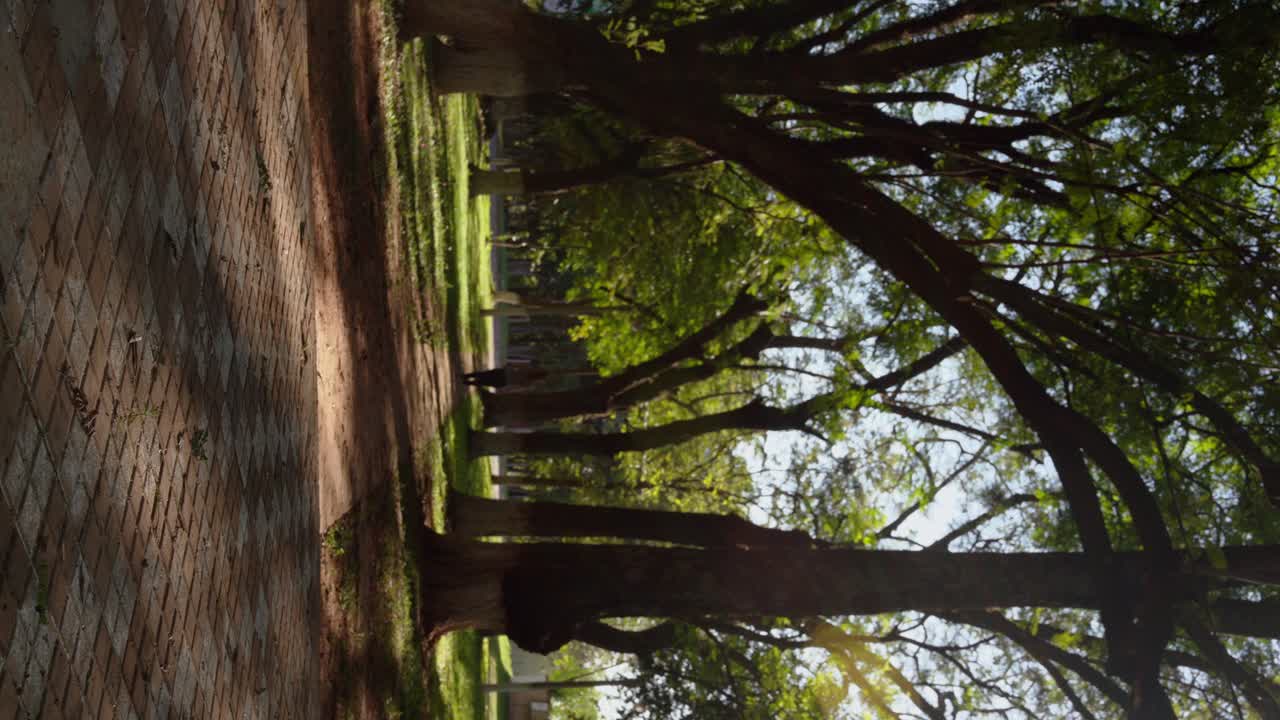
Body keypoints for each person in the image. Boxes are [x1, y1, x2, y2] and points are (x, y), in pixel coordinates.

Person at [462, 363, 550, 389]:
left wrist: (509, 366)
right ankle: (468, 383)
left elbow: (517, 365)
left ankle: (466, 376)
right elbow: (517, 387)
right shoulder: (530, 383)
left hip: (505, 373)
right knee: (485, 382)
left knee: (484, 374)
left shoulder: (529, 368)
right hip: (505, 382)